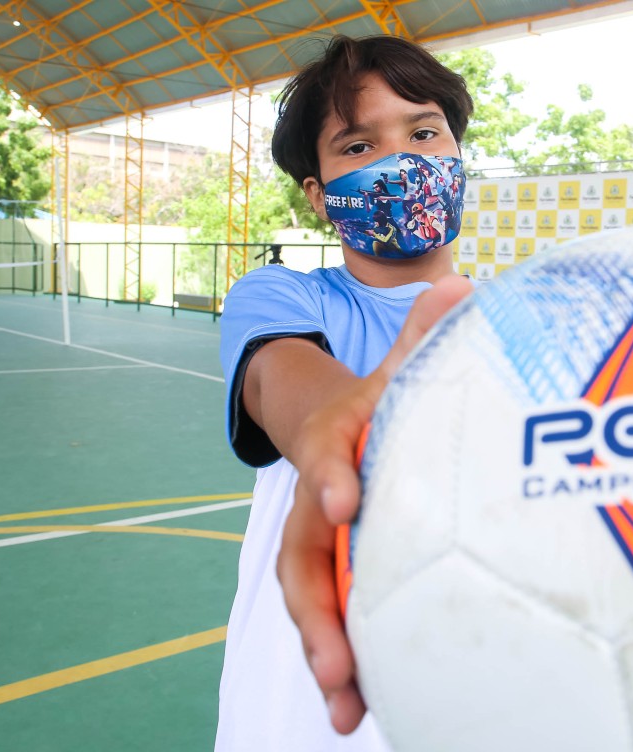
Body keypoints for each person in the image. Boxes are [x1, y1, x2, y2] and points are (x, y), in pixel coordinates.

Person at [215, 35, 475, 751]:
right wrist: (344, 425)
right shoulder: (283, 296)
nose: (401, 161)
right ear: (319, 194)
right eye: (358, 147)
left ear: (458, 155)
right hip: (298, 713)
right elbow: (283, 379)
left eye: (424, 132)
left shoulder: (518, 322)